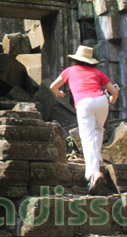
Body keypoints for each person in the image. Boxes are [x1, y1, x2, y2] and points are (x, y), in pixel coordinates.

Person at [49, 45, 119, 194]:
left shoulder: (70, 71)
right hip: (101, 101)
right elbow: (114, 91)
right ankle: (98, 159)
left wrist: (59, 93)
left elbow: (53, 86)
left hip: (84, 103)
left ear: (76, 59)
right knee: (98, 130)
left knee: (87, 137)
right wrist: (112, 99)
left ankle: (93, 174)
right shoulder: (98, 72)